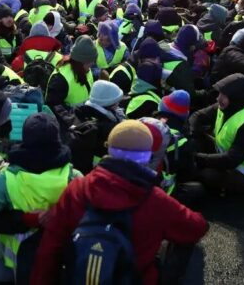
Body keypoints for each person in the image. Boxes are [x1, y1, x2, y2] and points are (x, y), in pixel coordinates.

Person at [30, 120, 208, 285]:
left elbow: (50, 248)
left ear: (109, 150)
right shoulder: (156, 200)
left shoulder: (77, 188)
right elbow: (197, 227)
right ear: (148, 157)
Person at [0, 113, 80, 274]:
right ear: (57, 139)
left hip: (19, 264)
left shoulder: (8, 179)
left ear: (25, 138)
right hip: (61, 263)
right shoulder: (74, 178)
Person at [190, 73, 244, 194]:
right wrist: (193, 133)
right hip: (231, 160)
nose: (218, 98)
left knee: (203, 174)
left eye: (224, 95)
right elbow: (197, 116)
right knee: (194, 143)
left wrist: (197, 158)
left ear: (236, 99)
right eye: (220, 93)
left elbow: (230, 160)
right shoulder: (228, 106)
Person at [71, 80, 125, 174]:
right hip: (98, 172)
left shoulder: (78, 113)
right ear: (109, 105)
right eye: (116, 103)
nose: (118, 106)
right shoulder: (108, 128)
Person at [45, 35, 96, 110]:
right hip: (70, 120)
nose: (92, 64)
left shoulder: (85, 69)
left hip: (84, 116)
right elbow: (53, 108)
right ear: (80, 62)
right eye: (89, 62)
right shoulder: (59, 79)